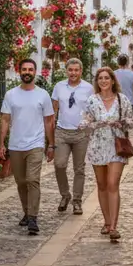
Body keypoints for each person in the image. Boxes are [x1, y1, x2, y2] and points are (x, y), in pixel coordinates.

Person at [0, 59, 55, 235]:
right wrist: (1, 143)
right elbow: (6, 119)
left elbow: (49, 120)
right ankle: (26, 211)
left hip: (35, 144)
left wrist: (51, 144)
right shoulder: (11, 95)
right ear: (19, 71)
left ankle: (33, 217)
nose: (27, 72)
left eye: (30, 69)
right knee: (21, 182)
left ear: (35, 72)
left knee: (32, 180)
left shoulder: (43, 95)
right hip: (16, 145)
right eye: (24, 69)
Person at [81, 67, 133, 243]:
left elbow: (131, 121)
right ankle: (106, 221)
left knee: (113, 183)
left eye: (106, 78)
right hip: (97, 146)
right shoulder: (92, 101)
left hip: (116, 146)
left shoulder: (122, 99)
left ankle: (113, 226)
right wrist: (94, 123)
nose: (103, 81)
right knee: (102, 184)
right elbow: (84, 122)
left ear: (112, 81)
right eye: (100, 78)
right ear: (97, 82)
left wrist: (120, 122)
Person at [51, 58, 94, 215]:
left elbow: (93, 110)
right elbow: (53, 110)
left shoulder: (89, 88)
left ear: (81, 71)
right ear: (66, 71)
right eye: (70, 70)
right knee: (59, 164)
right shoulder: (59, 87)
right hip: (62, 132)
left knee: (79, 169)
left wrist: (88, 126)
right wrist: (50, 132)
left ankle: (77, 201)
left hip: (81, 133)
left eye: (76, 70)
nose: (73, 73)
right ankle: (65, 194)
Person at [115, 55, 133, 123]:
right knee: (128, 124)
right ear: (127, 63)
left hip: (117, 102)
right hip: (130, 102)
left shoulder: (113, 74)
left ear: (118, 63)